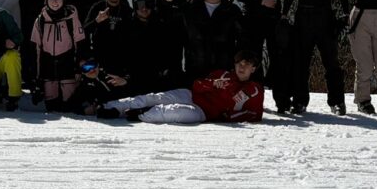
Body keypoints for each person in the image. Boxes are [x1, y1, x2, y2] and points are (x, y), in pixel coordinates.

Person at [99, 51, 264, 124]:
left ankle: (139, 114)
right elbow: (196, 86)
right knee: (154, 97)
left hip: (203, 113)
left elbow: (255, 114)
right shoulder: (222, 74)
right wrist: (212, 84)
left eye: (247, 64)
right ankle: (111, 107)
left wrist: (229, 116)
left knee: (173, 112)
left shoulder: (254, 90)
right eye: (239, 63)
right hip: (191, 96)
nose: (242, 67)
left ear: (254, 68)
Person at [169, 0, 247, 80]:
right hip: (195, 74)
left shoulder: (232, 11)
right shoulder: (190, 9)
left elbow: (243, 41)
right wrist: (167, 2)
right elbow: (172, 29)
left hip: (224, 74)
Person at [31, 0, 87, 111]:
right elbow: (35, 50)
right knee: (52, 107)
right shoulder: (40, 21)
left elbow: (80, 45)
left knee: (70, 107)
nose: (55, 1)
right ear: (46, 0)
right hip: (48, 68)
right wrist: (36, 78)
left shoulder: (72, 19)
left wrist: (79, 69)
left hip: (68, 66)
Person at [126, 0, 184, 94]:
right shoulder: (127, 26)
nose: (144, 8)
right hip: (137, 79)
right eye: (140, 5)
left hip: (161, 79)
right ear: (134, 6)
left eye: (148, 4)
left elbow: (173, 47)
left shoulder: (160, 23)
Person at [85, 0, 134, 79]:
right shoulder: (97, 7)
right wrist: (96, 21)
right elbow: (83, 31)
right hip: (99, 58)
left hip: (120, 60)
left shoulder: (127, 10)